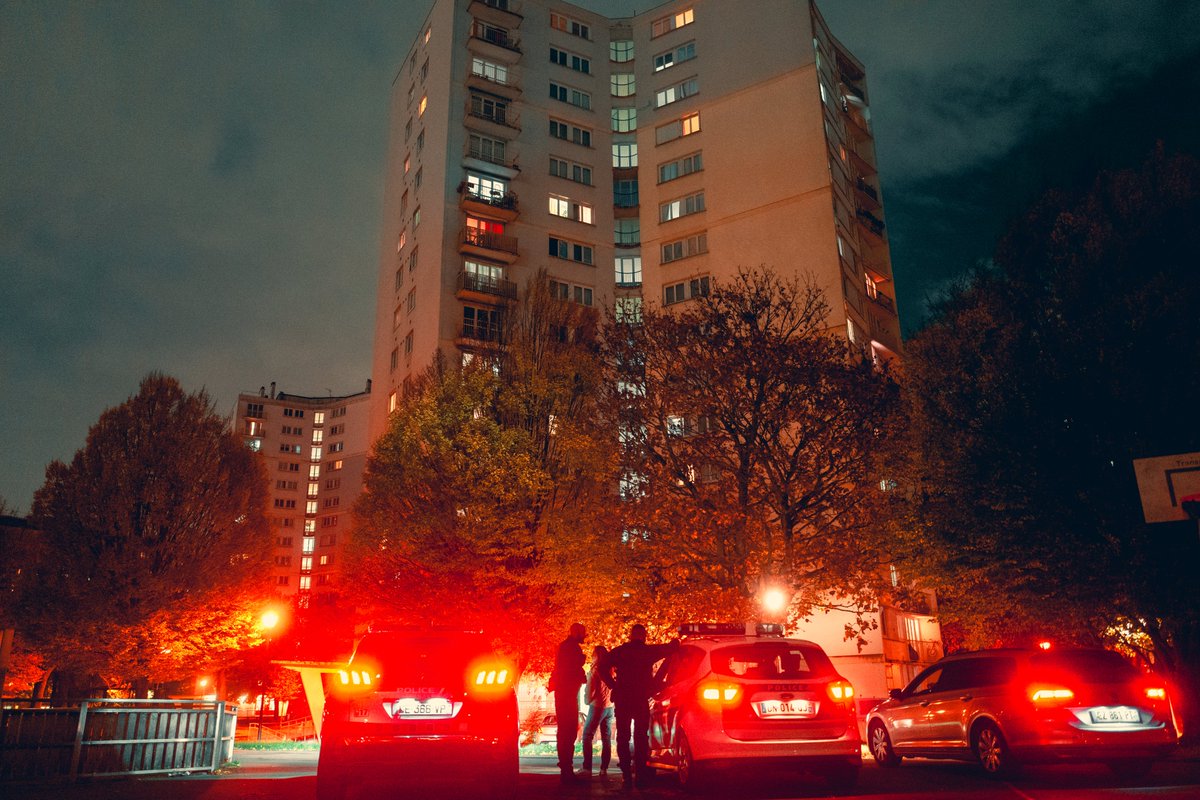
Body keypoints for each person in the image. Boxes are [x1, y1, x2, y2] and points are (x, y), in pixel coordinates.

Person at [601, 623, 678, 790]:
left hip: (622, 698)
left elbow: (601, 666)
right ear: (643, 636)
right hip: (640, 698)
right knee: (641, 737)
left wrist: (613, 684)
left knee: (623, 737)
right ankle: (641, 776)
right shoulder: (648, 651)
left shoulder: (620, 652)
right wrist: (675, 643)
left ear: (630, 636)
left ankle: (626, 776)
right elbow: (669, 649)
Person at [549, 622, 587, 784]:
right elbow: (571, 669)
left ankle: (566, 768)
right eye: (583, 633)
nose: (585, 636)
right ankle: (566, 769)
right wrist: (581, 665)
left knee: (566, 730)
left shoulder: (564, 647)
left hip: (564, 693)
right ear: (576, 632)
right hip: (567, 694)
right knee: (568, 730)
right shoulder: (571, 648)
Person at [578, 645, 614, 779]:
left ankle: (587, 767)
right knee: (606, 738)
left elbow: (590, 693)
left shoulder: (595, 671)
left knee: (587, 735)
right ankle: (604, 769)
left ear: (595, 656)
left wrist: (587, 701)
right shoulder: (612, 669)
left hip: (597, 706)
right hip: (610, 707)